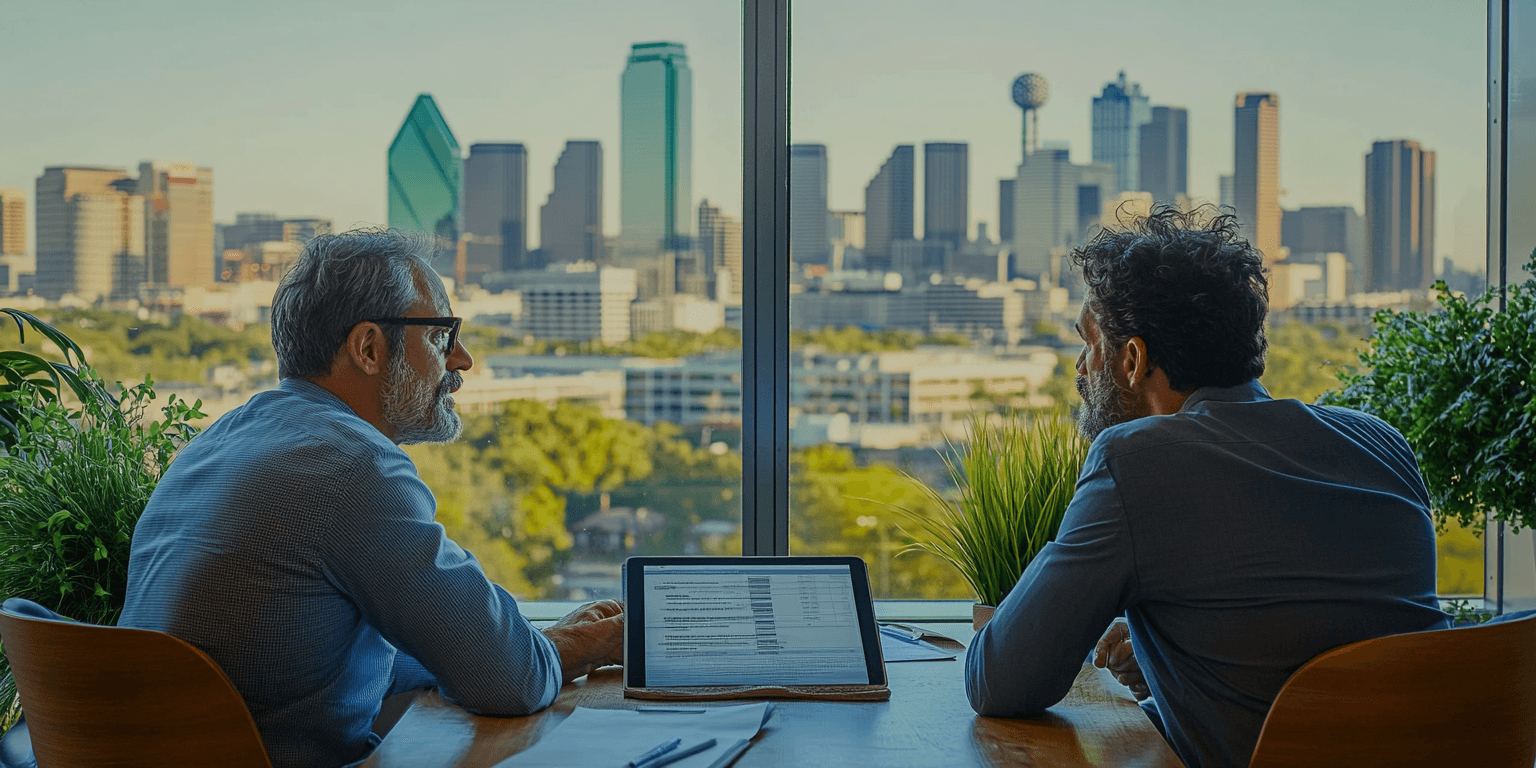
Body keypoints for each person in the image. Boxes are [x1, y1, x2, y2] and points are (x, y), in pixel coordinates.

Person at [964, 207, 1448, 768]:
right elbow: (1342, 637)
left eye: (1088, 344)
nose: (1079, 367)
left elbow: (1000, 682)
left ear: (1133, 360)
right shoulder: (1381, 444)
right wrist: (1175, 653)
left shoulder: (1134, 461)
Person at [120, 229, 623, 768]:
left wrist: (510, 646)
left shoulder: (218, 443)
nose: (463, 360)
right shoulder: (351, 466)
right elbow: (511, 683)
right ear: (367, 348)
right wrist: (593, 645)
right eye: (441, 336)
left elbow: (329, 656)